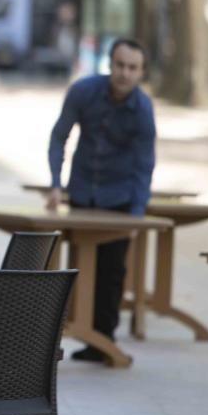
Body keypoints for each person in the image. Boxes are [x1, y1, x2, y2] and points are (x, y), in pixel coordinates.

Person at [47, 38, 156, 362]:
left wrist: (136, 216)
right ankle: (65, 335)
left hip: (118, 198)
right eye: (120, 65)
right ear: (110, 64)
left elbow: (144, 165)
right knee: (77, 270)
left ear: (140, 72)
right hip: (82, 193)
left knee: (111, 272)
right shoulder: (83, 91)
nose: (125, 73)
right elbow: (59, 137)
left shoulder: (143, 110)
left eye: (132, 68)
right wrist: (55, 184)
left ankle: (102, 341)